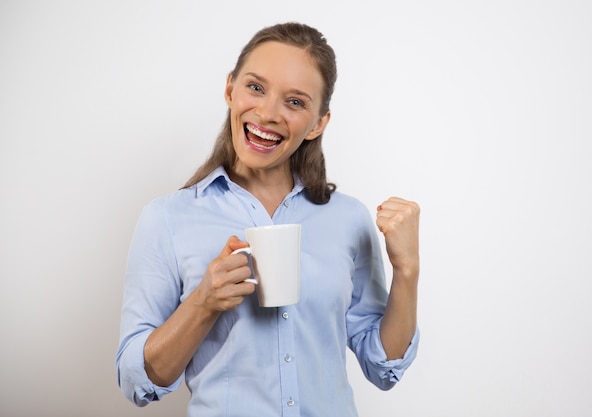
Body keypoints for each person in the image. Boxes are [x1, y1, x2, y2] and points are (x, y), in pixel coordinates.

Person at [116, 21, 421, 416]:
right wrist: (203, 304)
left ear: (318, 124)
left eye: (295, 102)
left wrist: (407, 269)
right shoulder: (167, 219)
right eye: (255, 87)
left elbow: (383, 367)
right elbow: (136, 381)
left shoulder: (349, 218)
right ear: (230, 89)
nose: (267, 112)